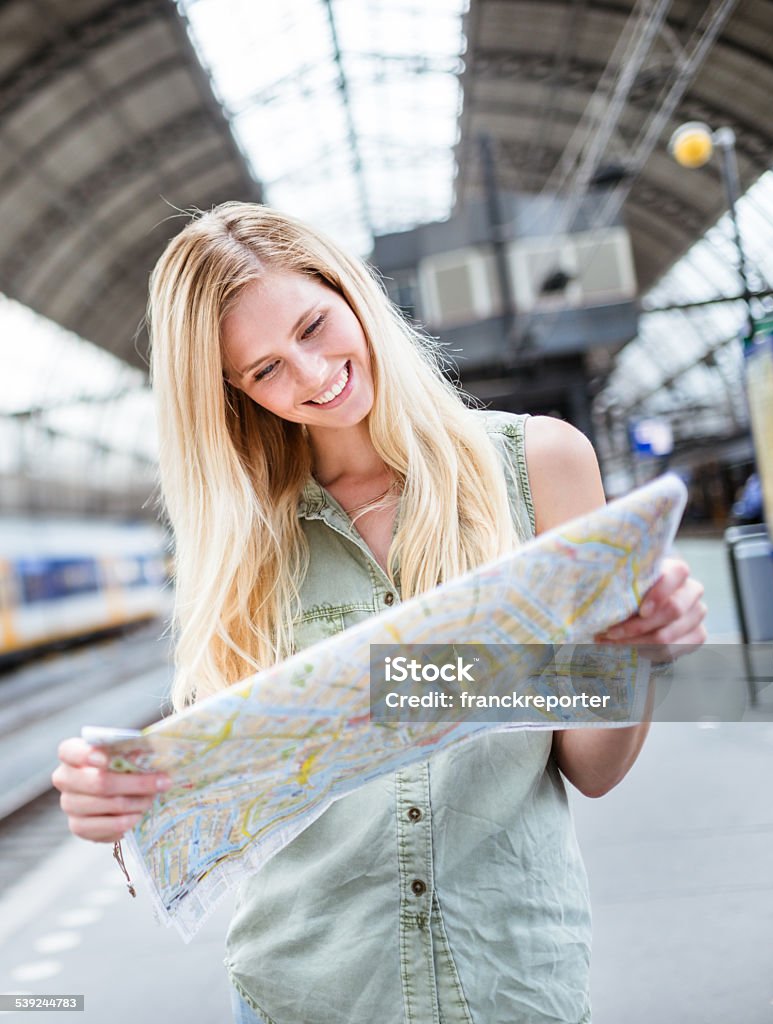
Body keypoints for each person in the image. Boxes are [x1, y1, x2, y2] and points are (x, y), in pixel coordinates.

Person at [52, 202, 706, 1024]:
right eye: (264, 372)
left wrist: (636, 653)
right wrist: (117, 808)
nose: (311, 374)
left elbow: (593, 768)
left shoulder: (538, 466)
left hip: (507, 984)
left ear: (351, 292)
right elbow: (210, 804)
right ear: (232, 393)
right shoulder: (240, 547)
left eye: (314, 326)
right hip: (305, 995)